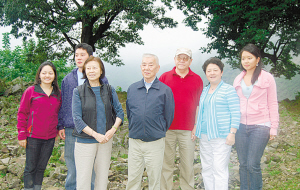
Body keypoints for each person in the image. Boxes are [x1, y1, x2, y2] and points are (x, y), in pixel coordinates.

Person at [57, 43, 108, 190]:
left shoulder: (101, 80)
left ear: (90, 57)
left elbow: (106, 104)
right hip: (72, 128)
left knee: (90, 165)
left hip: (93, 129)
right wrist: (61, 124)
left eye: (82, 55)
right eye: (76, 55)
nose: (79, 58)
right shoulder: (68, 79)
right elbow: (64, 102)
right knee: (72, 165)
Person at [72, 56, 124, 190]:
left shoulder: (109, 90)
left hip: (105, 141)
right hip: (85, 142)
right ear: (84, 71)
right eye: (88, 68)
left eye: (95, 68)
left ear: (101, 71)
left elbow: (120, 113)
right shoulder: (78, 91)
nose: (91, 71)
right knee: (83, 179)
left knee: (102, 178)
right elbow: (77, 119)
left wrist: (112, 130)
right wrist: (96, 135)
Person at [126, 53, 175, 190]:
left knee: (155, 180)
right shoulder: (132, 89)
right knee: (133, 178)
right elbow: (130, 113)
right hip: (135, 141)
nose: (147, 68)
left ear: (158, 67)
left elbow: (168, 116)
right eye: (144, 64)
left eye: (150, 64)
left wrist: (156, 130)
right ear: (140, 67)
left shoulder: (165, 90)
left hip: (155, 142)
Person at [233, 44, 279, 190]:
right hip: (240, 126)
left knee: (253, 163)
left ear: (257, 59)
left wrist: (274, 127)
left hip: (261, 125)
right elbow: (234, 104)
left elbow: (272, 103)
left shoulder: (267, 78)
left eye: (249, 58)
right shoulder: (238, 79)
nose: (246, 61)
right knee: (243, 164)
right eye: (243, 58)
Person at [159, 48, 203, 190]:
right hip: (167, 129)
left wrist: (196, 125)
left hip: (188, 130)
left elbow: (199, 105)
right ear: (175, 59)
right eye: (180, 57)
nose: (182, 60)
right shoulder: (164, 77)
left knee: (187, 164)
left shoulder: (197, 79)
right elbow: (158, 103)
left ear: (190, 61)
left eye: (186, 58)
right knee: (166, 164)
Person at [195, 57, 240, 190]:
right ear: (205, 73)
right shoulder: (204, 91)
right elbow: (201, 111)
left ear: (221, 72)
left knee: (219, 169)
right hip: (204, 136)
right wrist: (196, 128)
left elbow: (235, 112)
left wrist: (232, 133)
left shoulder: (228, 90)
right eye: (209, 70)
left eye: (215, 70)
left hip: (221, 136)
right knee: (207, 168)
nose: (212, 73)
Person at [17, 62, 62, 190]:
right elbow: (22, 113)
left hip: (50, 138)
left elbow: (58, 114)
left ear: (54, 75)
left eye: (50, 73)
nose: (47, 75)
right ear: (39, 75)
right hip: (33, 136)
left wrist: (58, 129)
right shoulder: (31, 91)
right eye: (44, 73)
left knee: (41, 167)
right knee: (30, 167)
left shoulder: (58, 93)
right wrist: (21, 134)